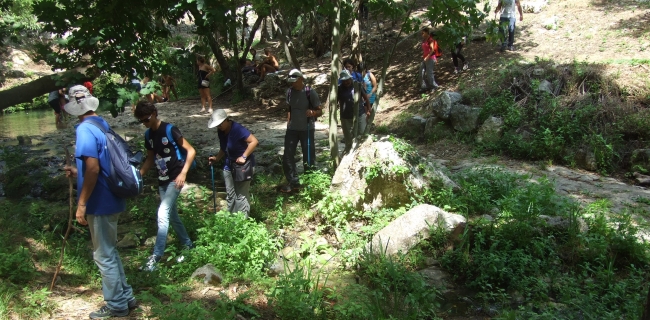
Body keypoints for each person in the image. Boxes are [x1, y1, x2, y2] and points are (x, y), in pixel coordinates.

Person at [62, 85, 137, 319]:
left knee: (103, 255)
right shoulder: (101, 124)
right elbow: (98, 165)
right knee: (110, 252)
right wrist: (78, 172)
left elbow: (93, 168)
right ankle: (126, 297)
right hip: (112, 196)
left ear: (75, 109)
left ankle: (116, 305)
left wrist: (81, 204)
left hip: (100, 201)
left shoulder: (84, 129)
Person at [134, 101, 196, 271]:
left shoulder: (170, 130)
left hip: (176, 178)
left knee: (162, 213)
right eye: (142, 121)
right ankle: (188, 246)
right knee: (172, 216)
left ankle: (156, 257)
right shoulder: (148, 135)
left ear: (154, 113)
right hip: (162, 178)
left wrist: (183, 173)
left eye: (146, 119)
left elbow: (191, 151)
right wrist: (137, 176)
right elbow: (150, 158)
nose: (145, 123)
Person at [207, 109, 259, 217]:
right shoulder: (221, 131)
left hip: (243, 166)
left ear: (226, 120)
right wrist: (217, 158)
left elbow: (254, 141)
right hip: (228, 164)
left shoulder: (238, 129)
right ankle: (230, 220)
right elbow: (223, 147)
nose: (219, 127)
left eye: (220, 124)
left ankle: (242, 222)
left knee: (241, 195)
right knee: (230, 194)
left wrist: (244, 156)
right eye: (217, 125)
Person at [281, 69, 323, 193]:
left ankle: (310, 182)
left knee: (309, 156)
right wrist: (288, 123)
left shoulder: (310, 92)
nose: (292, 84)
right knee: (287, 155)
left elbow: (320, 111)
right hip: (292, 129)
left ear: (300, 79)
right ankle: (293, 182)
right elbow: (289, 109)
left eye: (294, 81)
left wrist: (313, 112)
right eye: (291, 81)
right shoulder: (289, 92)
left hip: (307, 129)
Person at [337, 70, 371, 155]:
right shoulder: (339, 88)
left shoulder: (358, 85)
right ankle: (349, 154)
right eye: (344, 80)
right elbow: (335, 102)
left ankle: (363, 154)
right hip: (345, 116)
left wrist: (369, 110)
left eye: (348, 79)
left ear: (350, 78)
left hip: (360, 114)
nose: (346, 82)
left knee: (363, 135)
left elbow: (366, 98)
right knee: (348, 139)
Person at [421, 28, 440, 92]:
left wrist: (427, 57)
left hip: (430, 58)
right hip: (425, 59)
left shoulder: (430, 40)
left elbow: (432, 50)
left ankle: (434, 86)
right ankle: (424, 86)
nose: (422, 34)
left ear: (426, 32)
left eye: (423, 33)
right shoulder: (424, 40)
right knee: (421, 72)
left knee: (429, 73)